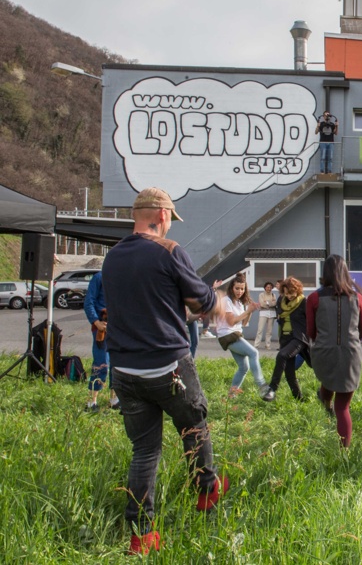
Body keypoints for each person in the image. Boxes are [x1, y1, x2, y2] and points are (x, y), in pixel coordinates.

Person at [102, 187, 225, 555]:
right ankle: (206, 493)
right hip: (168, 365)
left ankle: (141, 536)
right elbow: (202, 301)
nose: (171, 224)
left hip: (124, 369)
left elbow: (145, 303)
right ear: (161, 214)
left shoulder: (112, 257)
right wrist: (215, 298)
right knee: (194, 427)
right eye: (171, 217)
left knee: (145, 452)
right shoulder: (170, 251)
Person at [307, 255, 362, 447]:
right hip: (350, 353)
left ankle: (324, 399)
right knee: (343, 408)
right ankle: (344, 452)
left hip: (323, 352)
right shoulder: (357, 297)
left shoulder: (314, 298)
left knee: (329, 378)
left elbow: (310, 332)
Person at [216, 274, 268, 399]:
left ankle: (231, 396)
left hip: (236, 334)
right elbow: (231, 322)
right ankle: (262, 385)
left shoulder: (239, 303)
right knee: (254, 353)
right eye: (237, 288)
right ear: (231, 288)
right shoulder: (226, 301)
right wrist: (247, 311)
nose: (240, 291)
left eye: (242, 289)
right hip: (227, 335)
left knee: (244, 367)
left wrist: (250, 311)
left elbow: (244, 323)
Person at [262, 277, 310, 402]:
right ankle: (299, 400)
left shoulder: (304, 302)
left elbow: (312, 322)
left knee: (282, 355)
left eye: (292, 293)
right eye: (286, 293)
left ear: (298, 290)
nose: (289, 296)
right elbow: (280, 318)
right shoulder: (281, 301)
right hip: (285, 337)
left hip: (299, 338)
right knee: (289, 372)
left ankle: (272, 389)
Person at [84, 270, 119, 412]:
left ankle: (114, 399)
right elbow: (88, 302)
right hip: (102, 326)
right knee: (101, 364)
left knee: (117, 365)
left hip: (118, 327)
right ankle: (91, 402)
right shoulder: (99, 277)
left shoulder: (125, 278)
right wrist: (96, 321)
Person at [255, 282, 277, 349]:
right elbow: (261, 304)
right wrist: (270, 303)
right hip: (263, 313)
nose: (269, 289)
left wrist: (267, 303)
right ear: (265, 287)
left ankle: (267, 345)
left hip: (272, 313)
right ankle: (256, 345)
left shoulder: (273, 295)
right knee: (260, 329)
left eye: (270, 287)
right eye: (267, 287)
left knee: (269, 331)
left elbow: (275, 303)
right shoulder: (261, 294)